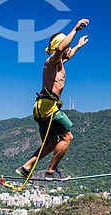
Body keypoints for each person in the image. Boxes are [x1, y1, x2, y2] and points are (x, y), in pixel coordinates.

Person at [15, 18, 90, 180]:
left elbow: (67, 55)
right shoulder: (52, 61)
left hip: (42, 106)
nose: (68, 49)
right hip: (48, 106)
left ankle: (26, 167)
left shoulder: (57, 63)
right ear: (59, 47)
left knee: (50, 143)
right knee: (67, 137)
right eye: (67, 46)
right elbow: (62, 48)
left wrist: (78, 46)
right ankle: (51, 171)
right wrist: (76, 29)